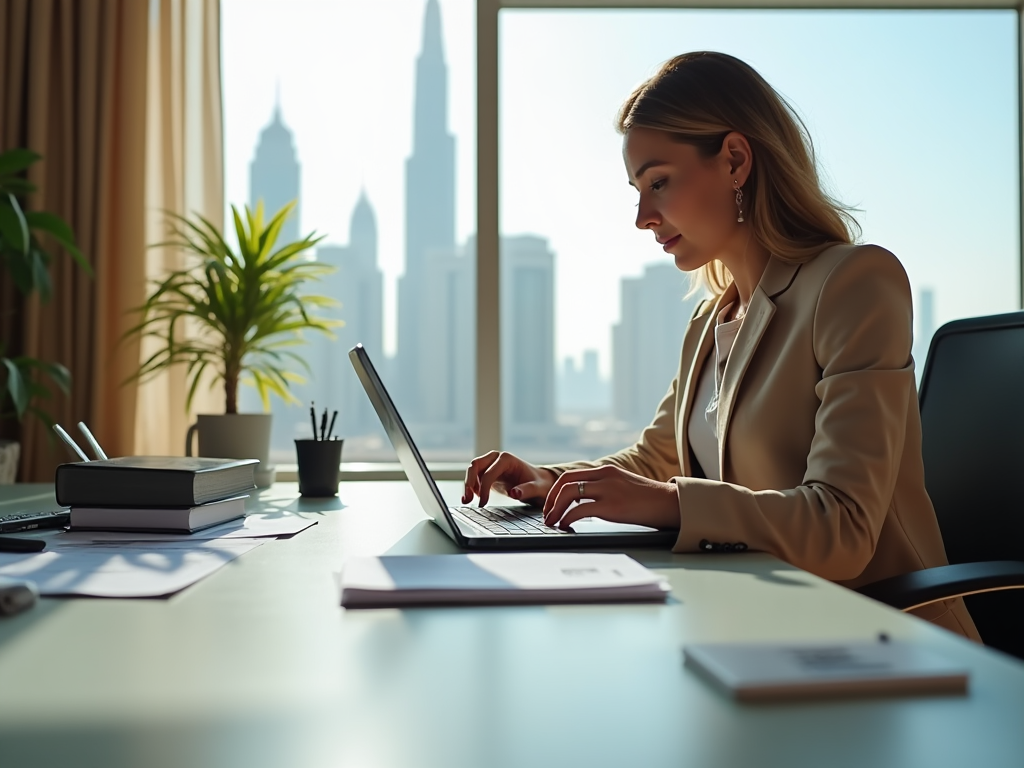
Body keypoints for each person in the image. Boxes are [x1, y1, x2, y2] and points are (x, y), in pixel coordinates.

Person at [462, 51, 979, 641]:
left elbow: (842, 527)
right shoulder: (711, 321)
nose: (641, 217)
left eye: (659, 182)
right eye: (637, 189)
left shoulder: (855, 283)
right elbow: (651, 464)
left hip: (884, 647)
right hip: (761, 633)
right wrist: (548, 479)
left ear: (734, 160)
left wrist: (670, 504)